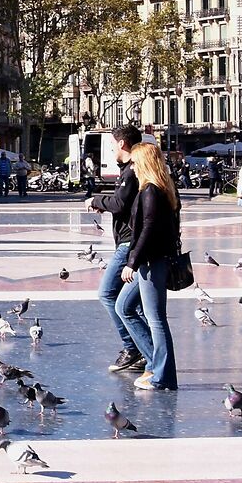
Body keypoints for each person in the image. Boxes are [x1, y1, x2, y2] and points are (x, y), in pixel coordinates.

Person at [116, 140, 182, 392]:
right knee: (124, 306)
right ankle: (155, 364)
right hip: (150, 260)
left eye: (134, 161)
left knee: (156, 319)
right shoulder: (157, 188)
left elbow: (149, 229)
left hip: (151, 262)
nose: (131, 165)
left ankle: (162, 376)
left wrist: (132, 262)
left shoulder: (152, 190)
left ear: (143, 162)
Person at [88, 124, 146, 377]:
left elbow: (121, 202)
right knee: (136, 304)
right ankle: (143, 350)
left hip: (128, 242)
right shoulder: (131, 170)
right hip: (130, 239)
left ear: (122, 143)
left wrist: (96, 201)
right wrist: (108, 206)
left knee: (108, 294)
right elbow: (124, 204)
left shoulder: (131, 171)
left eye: (112, 144)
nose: (111, 148)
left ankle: (132, 347)